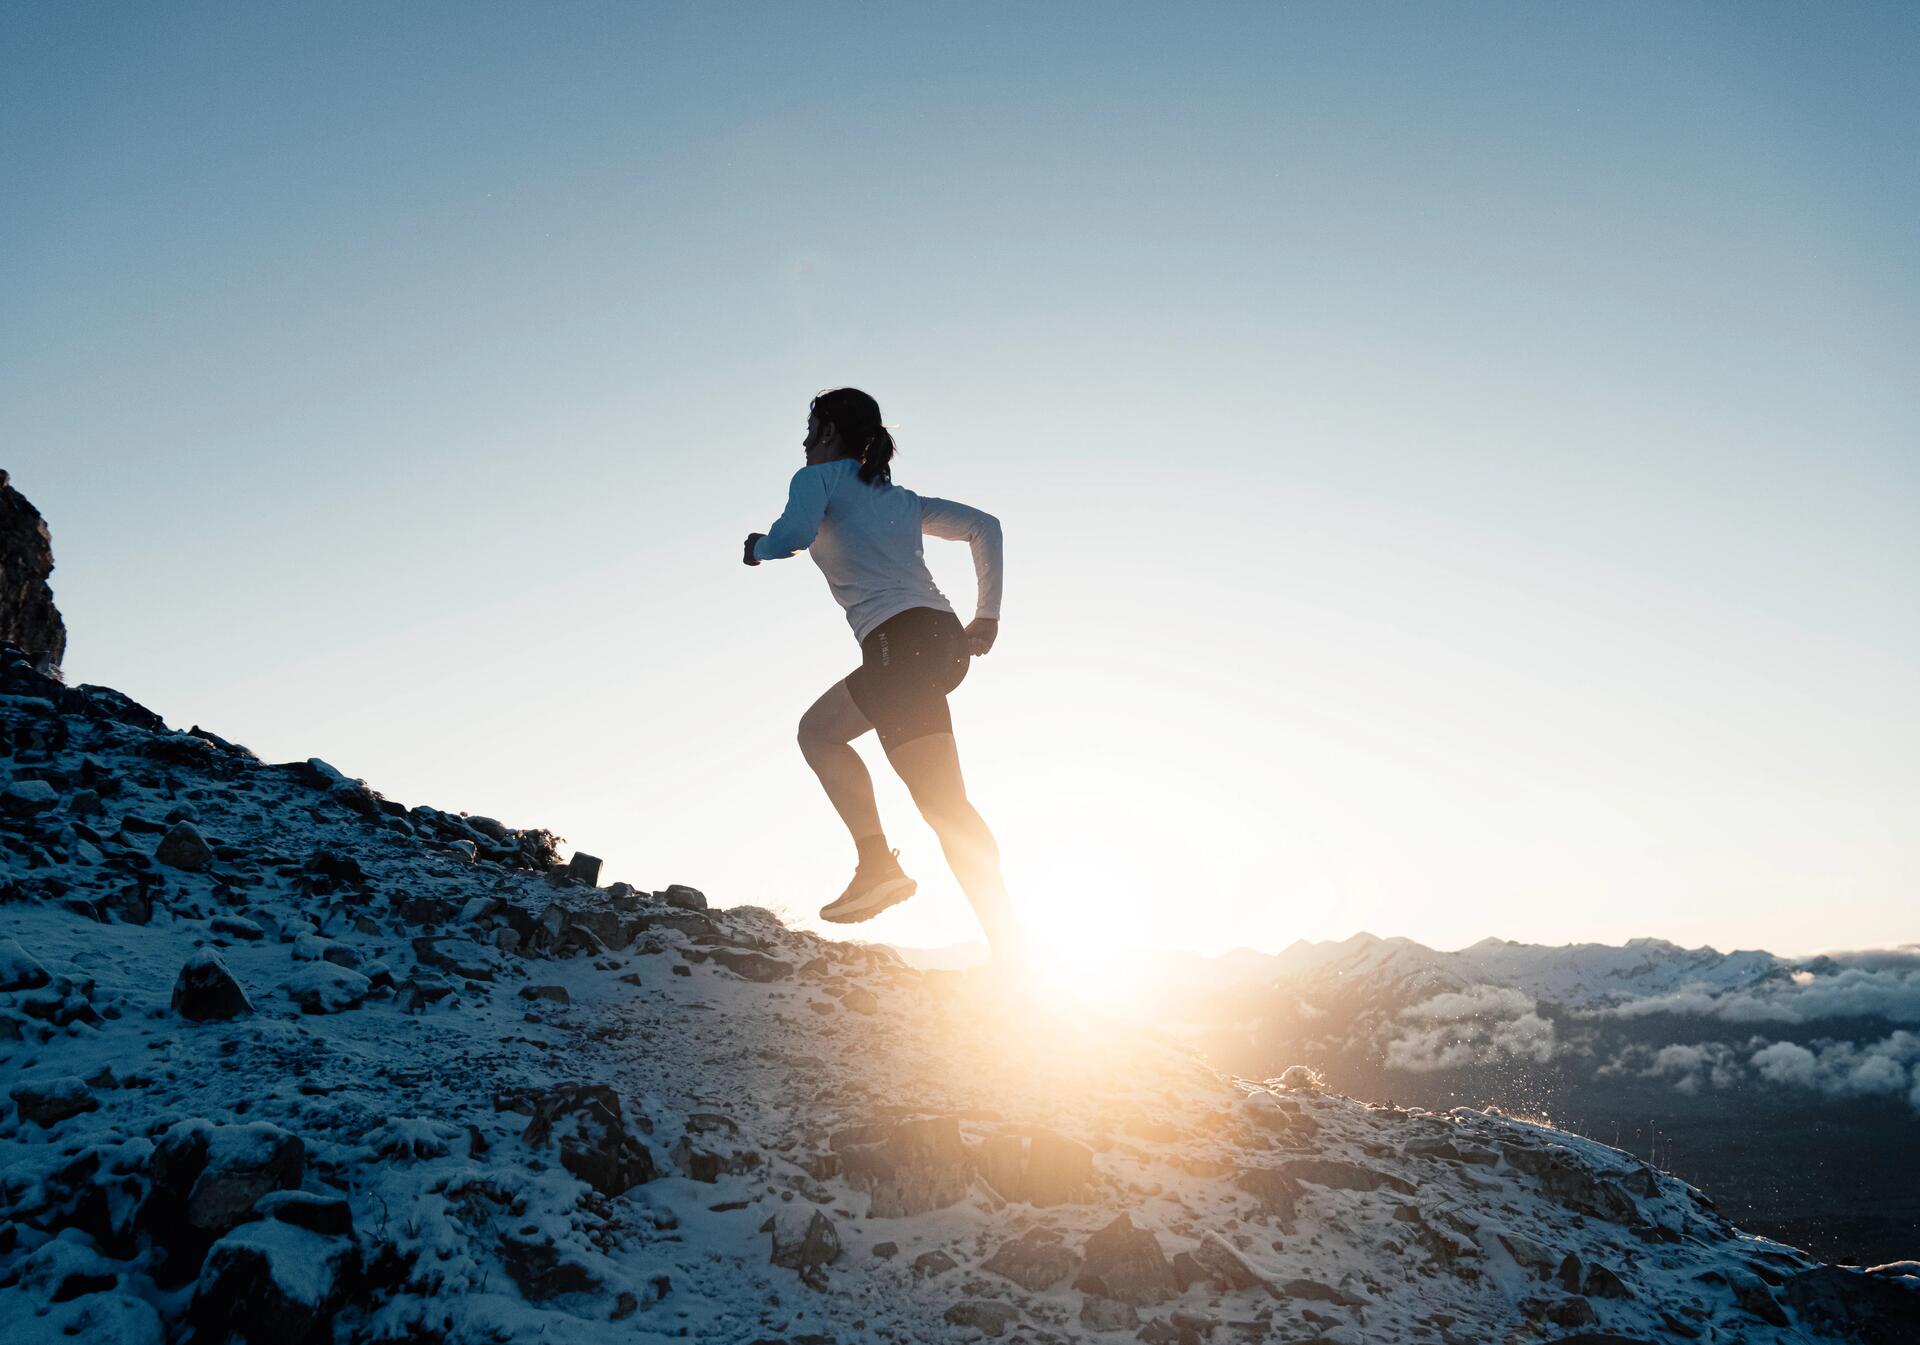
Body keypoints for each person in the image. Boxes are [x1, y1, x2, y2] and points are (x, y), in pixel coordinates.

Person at [743, 387, 1023, 962]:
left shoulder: (817, 481)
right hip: (940, 643)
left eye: (809, 427)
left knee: (819, 734)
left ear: (825, 432)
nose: (803, 440)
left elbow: (792, 538)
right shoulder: (898, 499)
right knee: (945, 805)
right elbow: (985, 526)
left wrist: (758, 548)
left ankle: (877, 865)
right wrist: (986, 617)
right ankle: (1011, 944)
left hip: (899, 645)